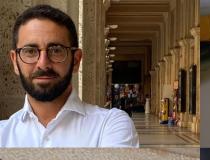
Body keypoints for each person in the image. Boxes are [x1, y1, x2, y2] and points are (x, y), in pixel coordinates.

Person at [0, 5, 139, 147]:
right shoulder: (3, 134)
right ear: (15, 61)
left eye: (55, 50)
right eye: (30, 51)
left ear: (76, 61)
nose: (43, 64)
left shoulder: (109, 126)